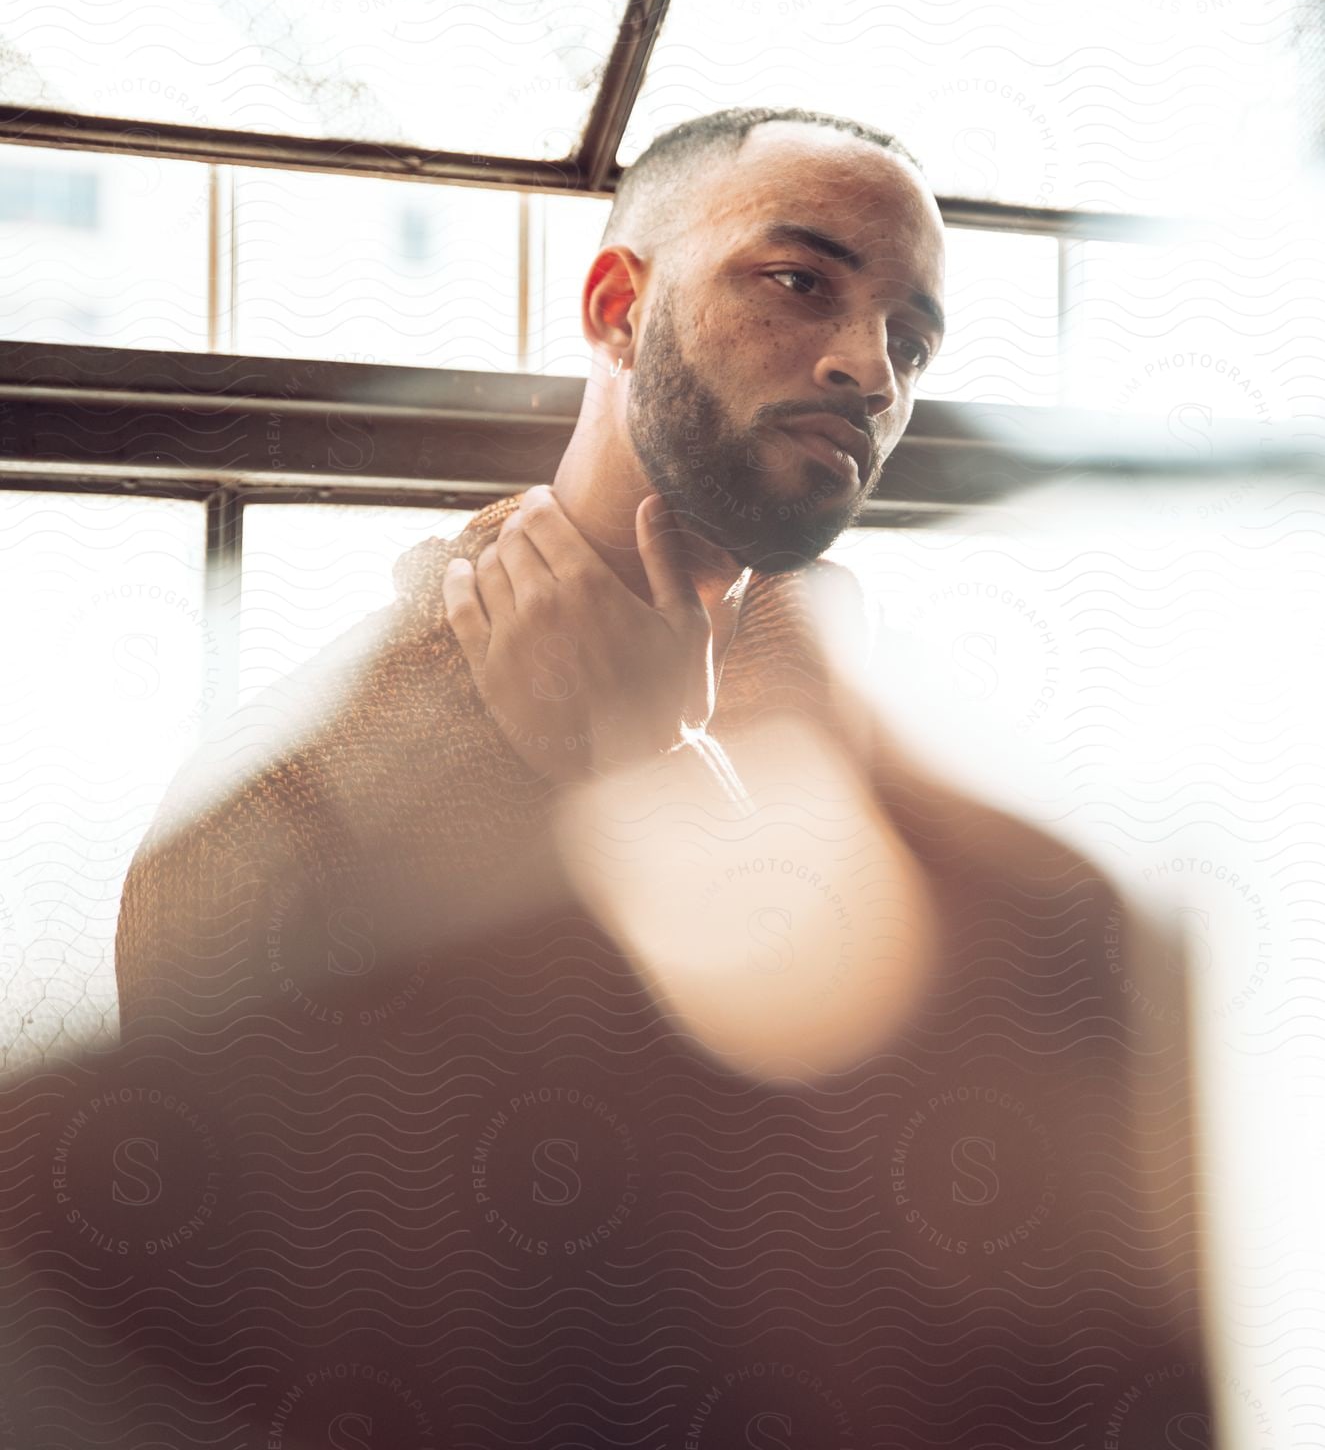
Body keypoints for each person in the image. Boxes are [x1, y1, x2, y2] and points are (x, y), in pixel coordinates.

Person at [92, 107, 1214, 1445]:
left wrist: (658, 775)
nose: (867, 367)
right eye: (797, 282)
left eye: (909, 338)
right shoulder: (286, 826)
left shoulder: (918, 779)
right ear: (619, 307)